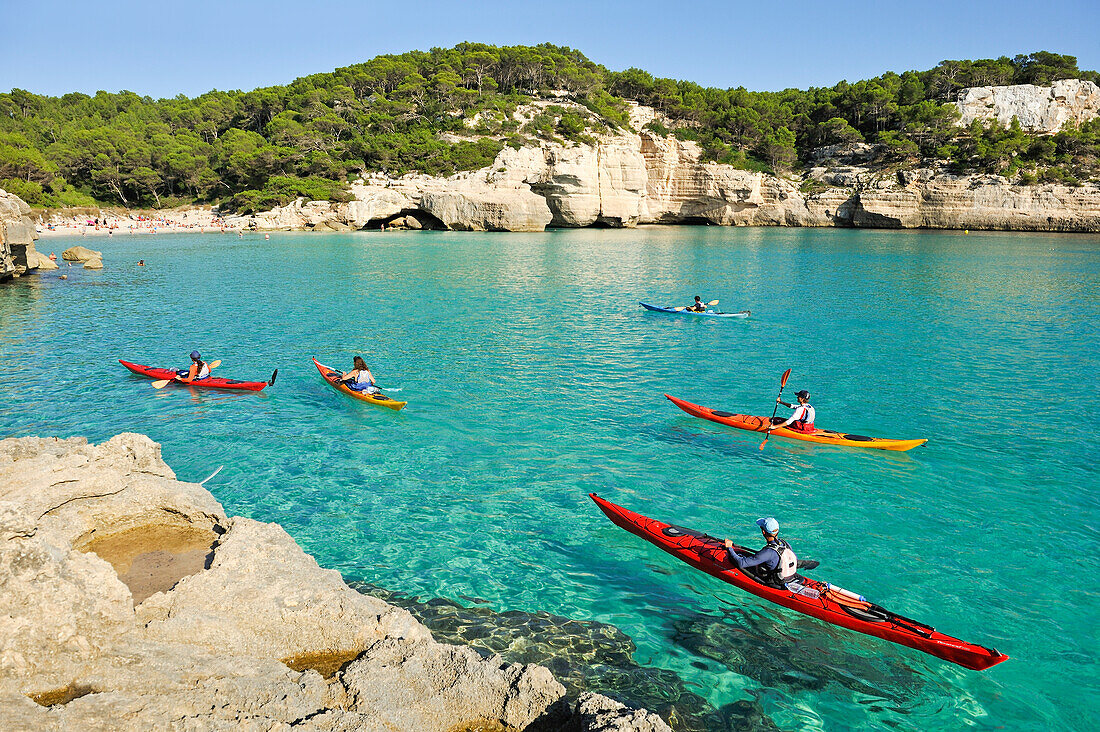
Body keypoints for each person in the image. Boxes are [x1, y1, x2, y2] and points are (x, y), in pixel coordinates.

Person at [723, 517, 798, 587]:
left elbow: (741, 563)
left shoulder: (768, 552)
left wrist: (729, 547)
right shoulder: (785, 544)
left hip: (775, 582)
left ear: (763, 532)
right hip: (789, 576)